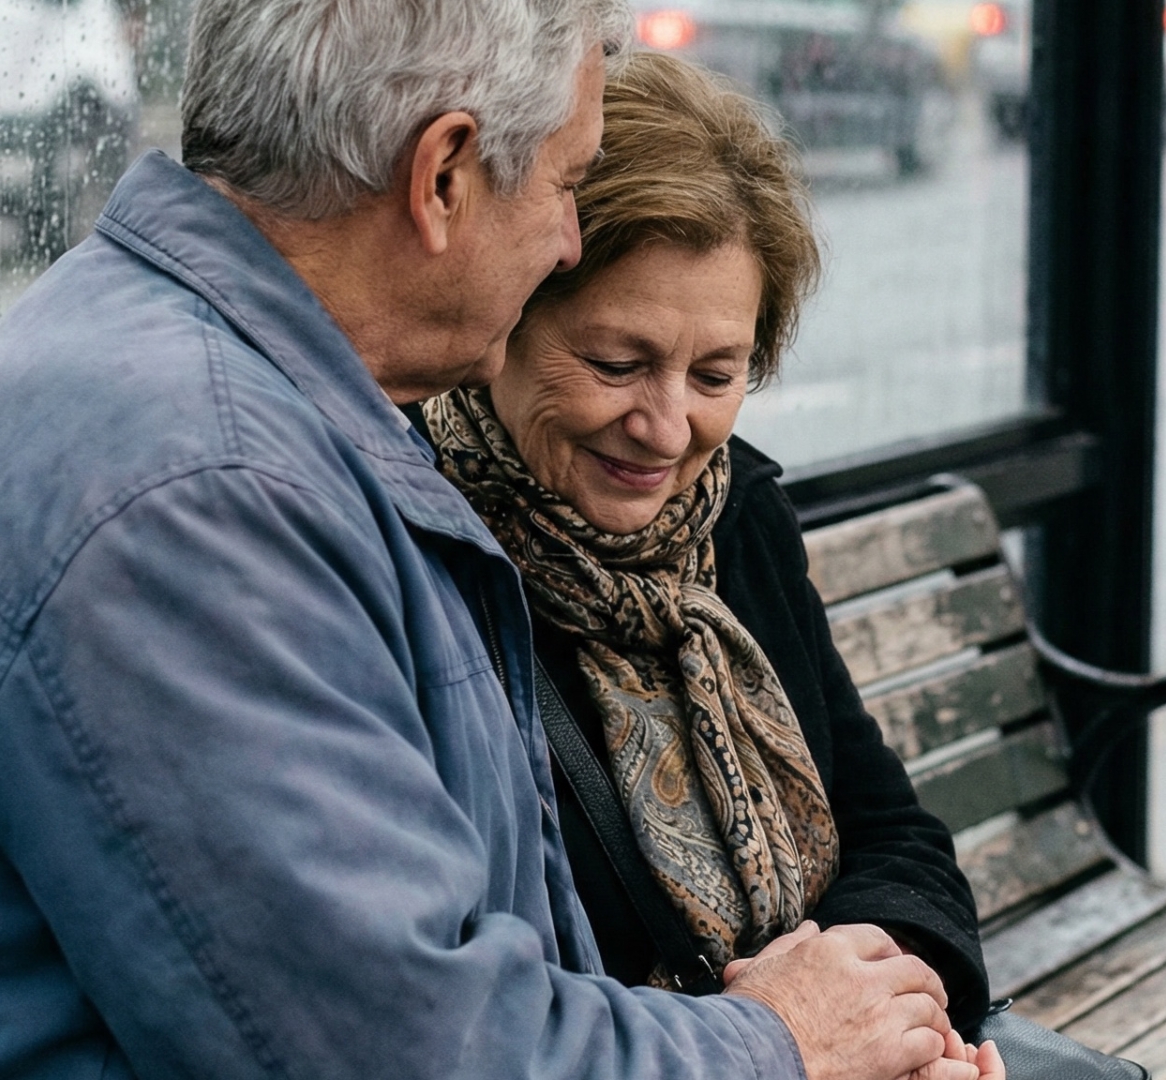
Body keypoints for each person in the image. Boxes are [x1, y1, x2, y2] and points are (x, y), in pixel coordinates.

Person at [0, 1, 990, 1078]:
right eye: (566, 183)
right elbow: (402, 1049)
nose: (569, 239)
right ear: (443, 174)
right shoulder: (200, 495)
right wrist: (781, 1044)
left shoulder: (241, 410)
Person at [419, 49, 997, 1050]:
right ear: (505, 315)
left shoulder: (738, 518)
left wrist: (885, 1019)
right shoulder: (423, 552)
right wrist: (783, 1035)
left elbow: (894, 835)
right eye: (617, 363)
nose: (667, 428)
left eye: (716, 375)